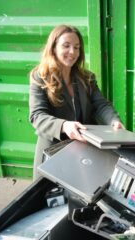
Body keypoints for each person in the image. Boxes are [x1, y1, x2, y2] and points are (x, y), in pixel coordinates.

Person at [29, 25, 123, 180]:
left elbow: (101, 104)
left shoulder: (87, 78)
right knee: (52, 199)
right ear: (53, 48)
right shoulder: (40, 77)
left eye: (77, 47)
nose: (72, 52)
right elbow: (37, 116)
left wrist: (114, 120)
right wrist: (64, 125)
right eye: (66, 46)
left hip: (84, 148)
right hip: (53, 150)